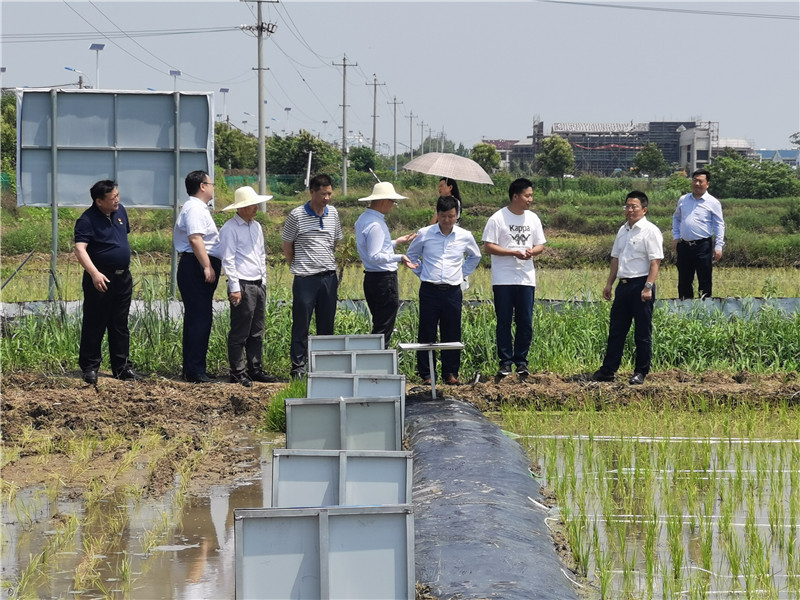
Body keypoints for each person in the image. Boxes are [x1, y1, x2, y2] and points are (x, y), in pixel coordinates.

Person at [406, 195, 481, 385]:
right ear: (437, 214)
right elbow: (411, 255)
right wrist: (422, 272)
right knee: (427, 332)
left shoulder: (465, 235)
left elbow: (475, 256)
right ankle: (427, 374)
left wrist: (461, 273)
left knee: (452, 331)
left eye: (451, 216)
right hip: (429, 289)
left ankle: (451, 373)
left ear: (457, 215)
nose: (447, 220)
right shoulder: (425, 233)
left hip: (453, 290)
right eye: (443, 216)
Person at [592, 191, 664, 385]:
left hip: (641, 285)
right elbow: (616, 258)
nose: (630, 210)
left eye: (634, 206)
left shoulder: (650, 230)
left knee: (642, 331)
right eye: (627, 206)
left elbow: (655, 261)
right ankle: (608, 370)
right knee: (617, 330)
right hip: (623, 286)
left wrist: (648, 286)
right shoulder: (623, 230)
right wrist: (609, 283)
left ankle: (641, 371)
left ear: (644, 209)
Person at [74, 180, 140, 384]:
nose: (117, 201)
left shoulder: (121, 213)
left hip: (123, 278)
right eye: (113, 198)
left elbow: (120, 239)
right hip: (100, 278)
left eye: (118, 196)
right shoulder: (87, 220)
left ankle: (121, 367)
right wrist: (94, 273)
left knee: (120, 323)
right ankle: (90, 367)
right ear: (99, 201)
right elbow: (80, 249)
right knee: (95, 322)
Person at [482, 177, 546, 379]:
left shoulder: (533, 219)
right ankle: (505, 363)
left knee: (525, 321)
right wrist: (513, 253)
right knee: (504, 321)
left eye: (531, 196)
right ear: (516, 196)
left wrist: (531, 252)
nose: (530, 199)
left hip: (526, 278)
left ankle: (521, 362)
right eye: (527, 195)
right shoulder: (497, 218)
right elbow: (488, 246)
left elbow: (540, 245)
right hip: (503, 279)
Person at [282, 174, 343, 379]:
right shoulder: (297, 215)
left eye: (329, 193)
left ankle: (324, 366)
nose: (327, 198)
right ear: (312, 192)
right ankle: (298, 367)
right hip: (305, 278)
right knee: (301, 323)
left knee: (327, 324)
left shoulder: (333, 213)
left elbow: (333, 242)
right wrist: (299, 266)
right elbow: (287, 246)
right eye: (323, 193)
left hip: (328, 276)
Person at [219, 186, 278, 387]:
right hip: (242, 284)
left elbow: (261, 254)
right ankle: (237, 371)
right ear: (242, 207)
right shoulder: (229, 229)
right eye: (252, 205)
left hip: (257, 283)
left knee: (257, 329)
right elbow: (228, 259)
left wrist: (264, 280)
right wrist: (234, 287)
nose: (255, 208)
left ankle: (255, 368)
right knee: (240, 330)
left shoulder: (256, 227)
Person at [355, 182, 418, 348]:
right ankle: (377, 363)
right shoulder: (376, 225)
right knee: (384, 328)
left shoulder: (364, 219)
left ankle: (375, 361)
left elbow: (373, 247)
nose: (392, 206)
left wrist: (396, 242)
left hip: (372, 278)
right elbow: (375, 255)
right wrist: (400, 257)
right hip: (384, 280)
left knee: (380, 324)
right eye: (392, 202)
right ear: (384, 201)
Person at [174, 170, 222, 383]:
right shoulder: (194, 208)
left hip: (197, 264)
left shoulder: (198, 208)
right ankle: (194, 370)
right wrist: (207, 266)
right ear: (202, 186)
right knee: (199, 318)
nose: (213, 187)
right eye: (211, 183)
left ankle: (195, 366)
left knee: (200, 317)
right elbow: (195, 239)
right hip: (195, 265)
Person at [671, 168, 725, 299]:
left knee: (704, 280)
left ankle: (704, 311)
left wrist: (718, 246)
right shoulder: (683, 199)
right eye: (695, 181)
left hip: (703, 246)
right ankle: (685, 310)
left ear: (707, 184)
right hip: (684, 245)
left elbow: (719, 224)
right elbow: (676, 218)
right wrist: (676, 236)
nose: (697, 184)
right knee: (684, 281)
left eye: (700, 181)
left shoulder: (713, 202)